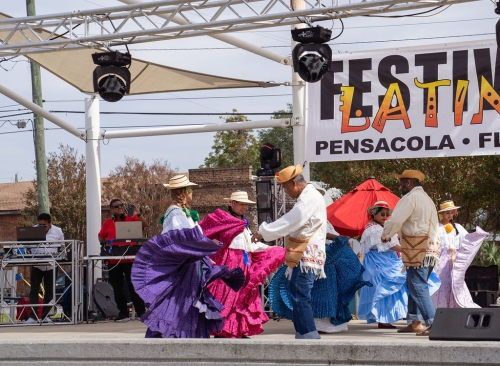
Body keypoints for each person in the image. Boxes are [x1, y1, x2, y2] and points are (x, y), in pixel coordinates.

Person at [132, 174, 244, 338]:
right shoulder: (175, 213)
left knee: (188, 300)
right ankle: (175, 335)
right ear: (184, 192)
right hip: (185, 266)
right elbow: (183, 240)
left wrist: (204, 253)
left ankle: (188, 335)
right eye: (190, 189)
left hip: (191, 264)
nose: (192, 192)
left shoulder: (182, 212)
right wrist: (204, 249)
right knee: (179, 301)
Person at [251, 165, 326, 339]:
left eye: (285, 187)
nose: (285, 192)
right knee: (296, 292)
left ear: (294, 183)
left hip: (306, 252)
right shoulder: (309, 197)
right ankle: (303, 332)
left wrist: (263, 231)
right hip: (305, 252)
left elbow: (291, 221)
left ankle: (308, 334)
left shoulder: (309, 198)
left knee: (300, 294)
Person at [199, 191, 286, 338]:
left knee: (243, 296)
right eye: (241, 204)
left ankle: (239, 329)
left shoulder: (244, 224)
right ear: (232, 204)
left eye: (246, 204)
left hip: (244, 262)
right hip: (229, 262)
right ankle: (223, 329)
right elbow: (206, 232)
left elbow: (249, 246)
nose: (244, 207)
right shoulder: (225, 220)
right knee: (228, 296)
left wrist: (270, 249)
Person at [381, 170, 440, 336]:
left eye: (401, 183)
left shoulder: (410, 198)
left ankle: (433, 323)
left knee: (417, 285)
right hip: (430, 249)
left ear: (408, 183)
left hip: (417, 248)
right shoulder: (428, 199)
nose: (400, 186)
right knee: (413, 283)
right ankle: (415, 322)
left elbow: (396, 220)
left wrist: (386, 235)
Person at [358, 200, 407, 329]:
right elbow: (389, 245)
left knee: (386, 288)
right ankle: (383, 319)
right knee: (384, 288)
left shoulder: (379, 227)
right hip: (379, 262)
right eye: (382, 214)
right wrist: (407, 250)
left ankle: (384, 318)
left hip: (383, 261)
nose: (385, 217)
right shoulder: (374, 229)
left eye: (386, 214)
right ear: (374, 214)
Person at [98, 198, 148, 322]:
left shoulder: (131, 219)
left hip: (130, 258)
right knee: (117, 287)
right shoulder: (108, 222)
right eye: (116, 206)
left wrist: (139, 214)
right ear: (111, 210)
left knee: (133, 286)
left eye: (121, 205)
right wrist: (106, 243)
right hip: (114, 259)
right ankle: (123, 313)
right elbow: (101, 236)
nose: (120, 207)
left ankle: (141, 312)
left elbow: (144, 226)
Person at [431, 200, 488, 309]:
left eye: (452, 212)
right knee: (441, 284)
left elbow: (467, 239)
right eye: (447, 213)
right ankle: (440, 309)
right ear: (441, 214)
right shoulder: (436, 227)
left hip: (455, 260)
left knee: (456, 283)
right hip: (441, 260)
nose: (450, 215)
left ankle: (455, 308)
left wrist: (479, 236)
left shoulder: (457, 227)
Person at [25, 213, 64, 324]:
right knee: (34, 291)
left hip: (51, 265)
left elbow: (62, 246)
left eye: (44, 225)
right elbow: (25, 245)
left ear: (50, 224)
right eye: (39, 224)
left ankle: (45, 315)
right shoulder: (33, 230)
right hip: (37, 264)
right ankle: (32, 317)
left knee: (50, 291)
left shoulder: (58, 231)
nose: (41, 227)